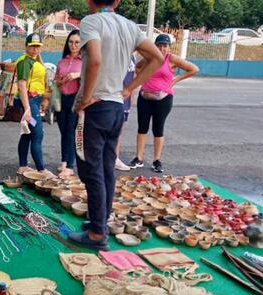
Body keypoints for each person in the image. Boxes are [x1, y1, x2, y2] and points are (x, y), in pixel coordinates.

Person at [69, 0, 164, 251]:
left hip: (96, 106)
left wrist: (86, 97)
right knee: (106, 167)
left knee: (92, 170)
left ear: (89, 1)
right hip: (114, 107)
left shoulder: (92, 22)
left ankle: (98, 233)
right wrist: (129, 89)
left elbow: (96, 60)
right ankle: (100, 220)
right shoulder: (129, 25)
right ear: (118, 1)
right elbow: (157, 57)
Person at [129, 34, 199, 173]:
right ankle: (138, 158)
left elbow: (194, 69)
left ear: (169, 47)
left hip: (163, 98)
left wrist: (175, 80)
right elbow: (137, 67)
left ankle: (157, 160)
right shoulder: (149, 59)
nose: (161, 48)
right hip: (145, 96)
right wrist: (143, 79)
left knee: (158, 129)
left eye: (164, 46)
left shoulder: (171, 59)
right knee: (142, 128)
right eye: (159, 45)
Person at [15, 33, 54, 177]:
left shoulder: (34, 60)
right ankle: (41, 169)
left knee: (28, 133)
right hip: (29, 102)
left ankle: (23, 166)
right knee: (37, 133)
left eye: (38, 46)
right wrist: (27, 110)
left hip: (34, 101)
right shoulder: (25, 61)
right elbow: (21, 84)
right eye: (32, 46)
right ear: (26, 46)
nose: (35, 49)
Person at [55, 30, 82, 177]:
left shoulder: (84, 61)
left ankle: (70, 165)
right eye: (71, 42)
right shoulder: (62, 61)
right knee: (64, 132)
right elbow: (55, 81)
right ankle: (64, 162)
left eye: (77, 42)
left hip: (75, 99)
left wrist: (77, 75)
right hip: (61, 98)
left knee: (71, 132)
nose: (73, 45)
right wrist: (58, 81)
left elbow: (91, 76)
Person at [115, 53, 137, 171]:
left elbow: (132, 76)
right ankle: (109, 157)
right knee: (111, 129)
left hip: (125, 97)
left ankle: (115, 157)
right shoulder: (117, 52)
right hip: (115, 95)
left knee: (120, 129)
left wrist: (131, 93)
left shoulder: (133, 55)